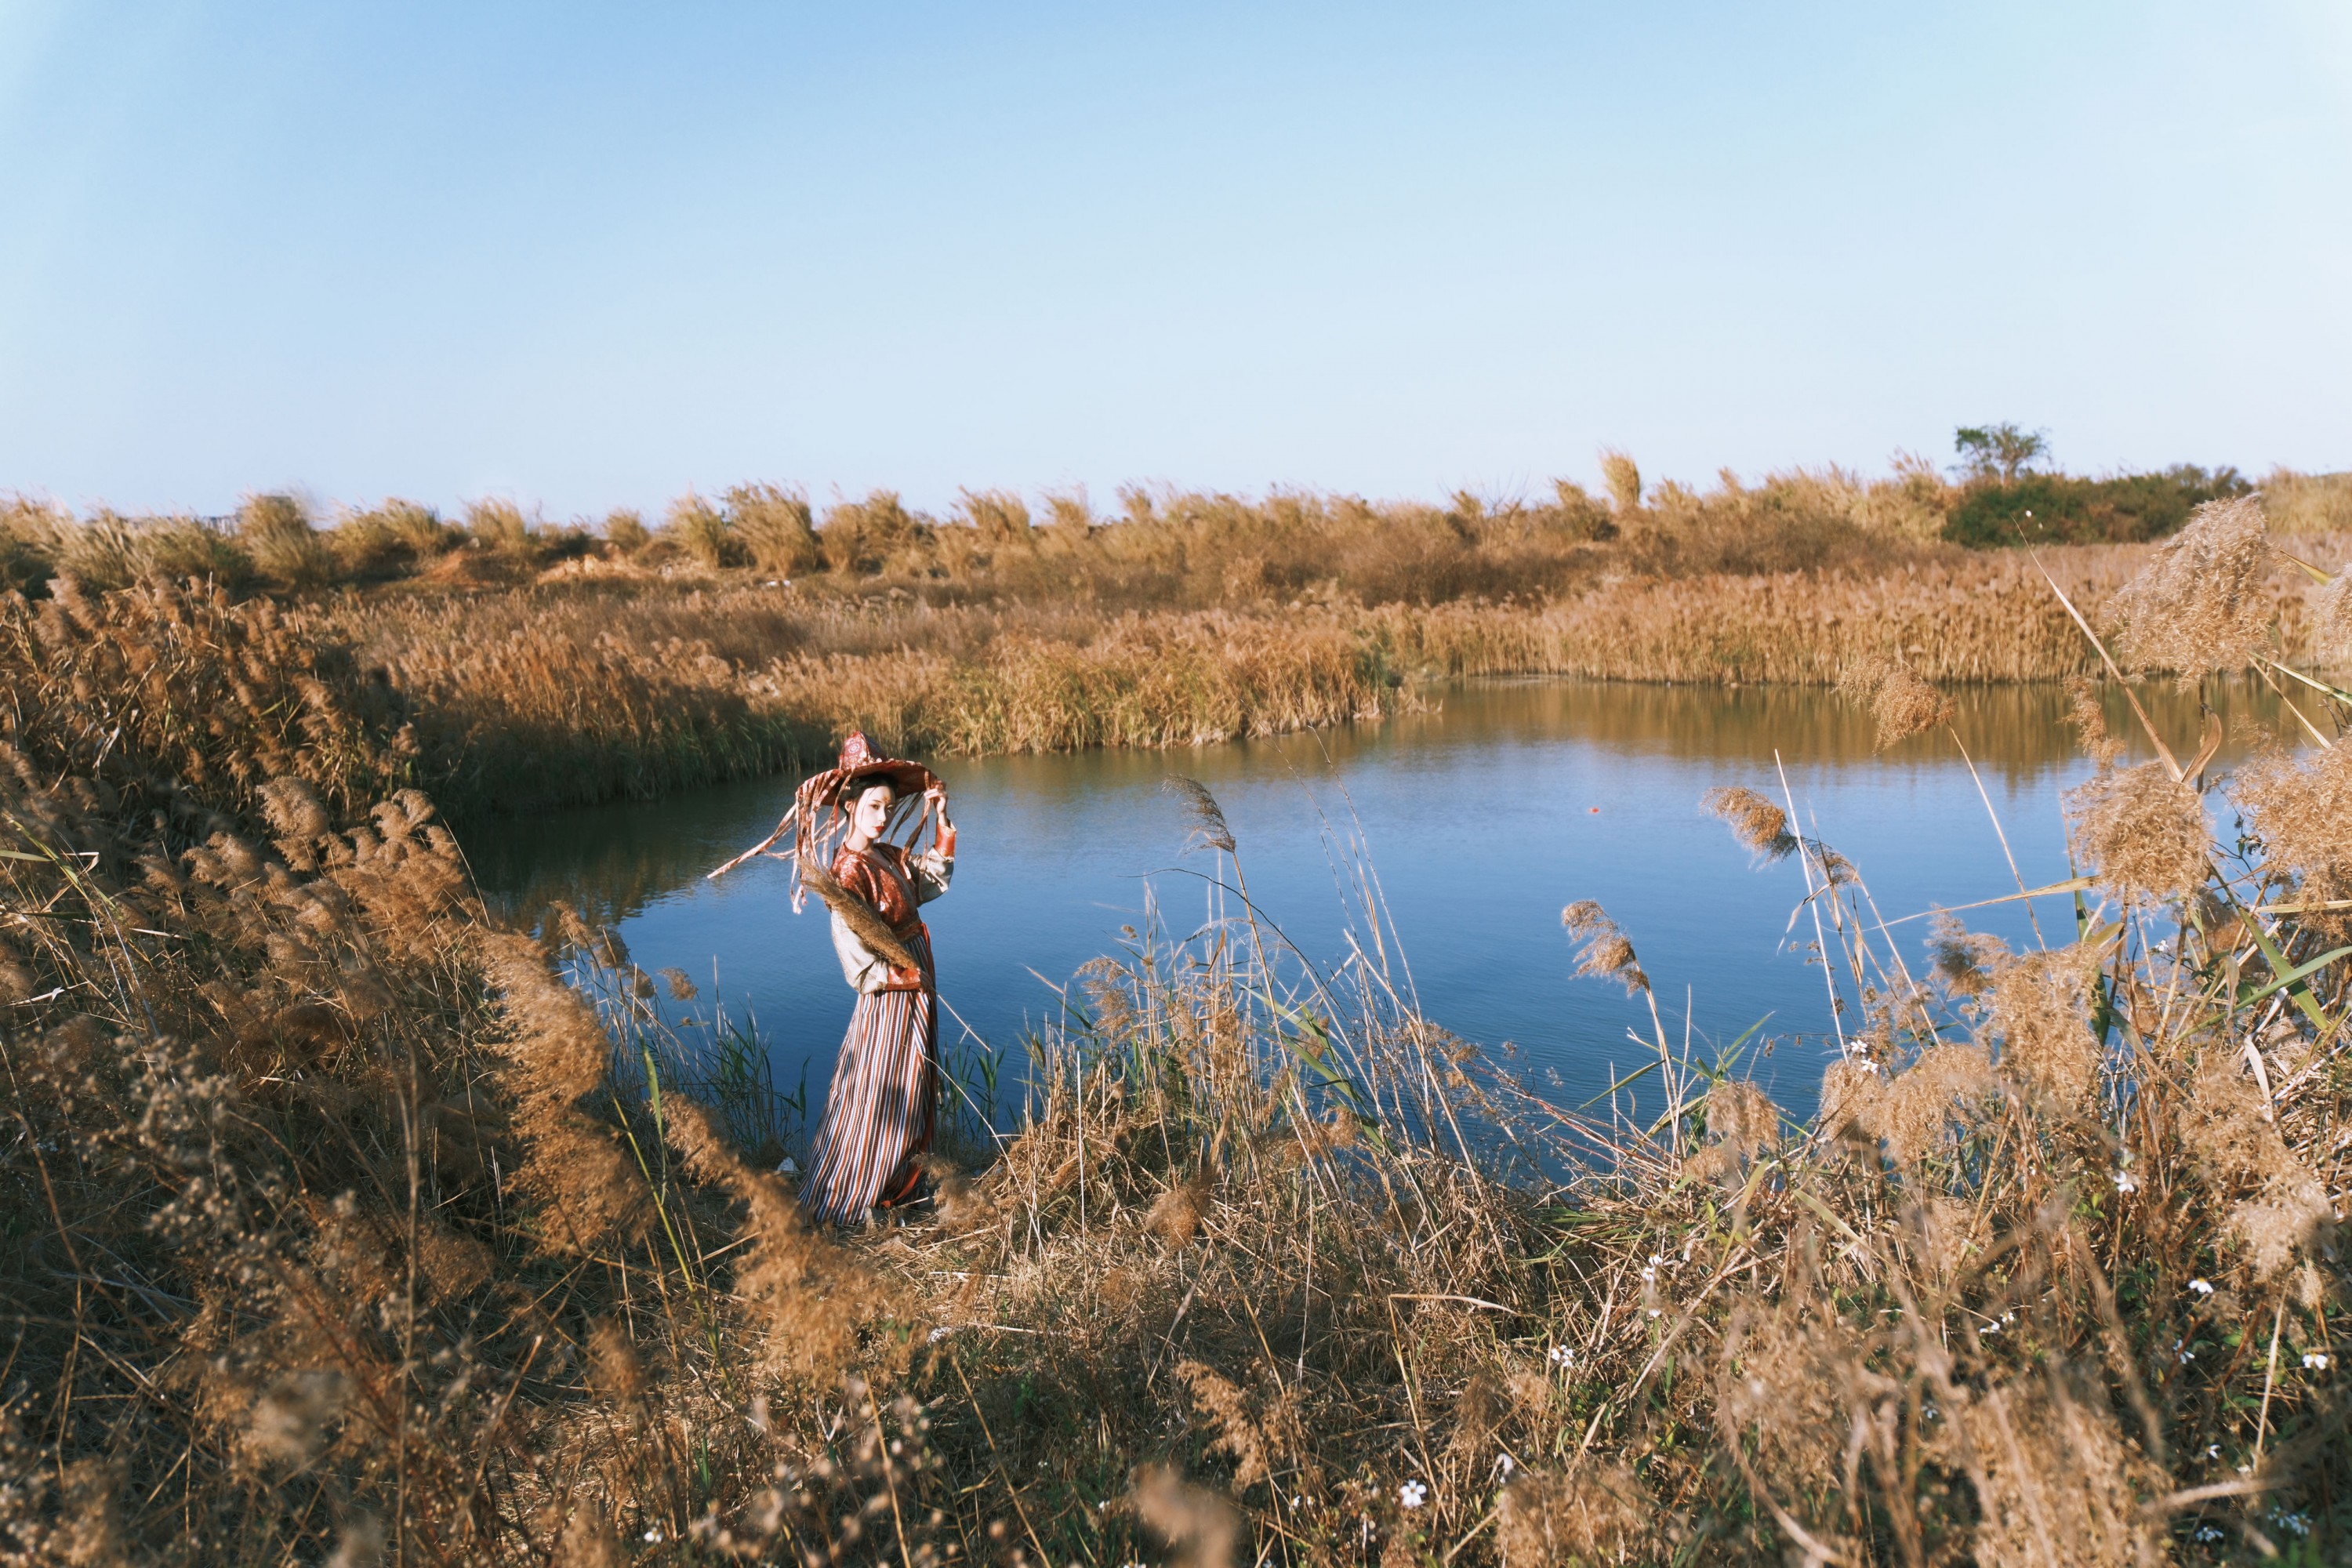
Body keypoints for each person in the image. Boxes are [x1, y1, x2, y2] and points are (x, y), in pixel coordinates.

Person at [794, 733, 956, 1226]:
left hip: (913, 980)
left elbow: (925, 886)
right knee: (888, 1090)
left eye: (888, 806)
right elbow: (855, 957)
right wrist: (904, 976)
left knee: (912, 1082)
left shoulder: (884, 855)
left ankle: (897, 1188)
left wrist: (943, 825)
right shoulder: (846, 871)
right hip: (891, 994)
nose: (883, 816)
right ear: (848, 807)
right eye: (873, 806)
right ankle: (865, 1191)